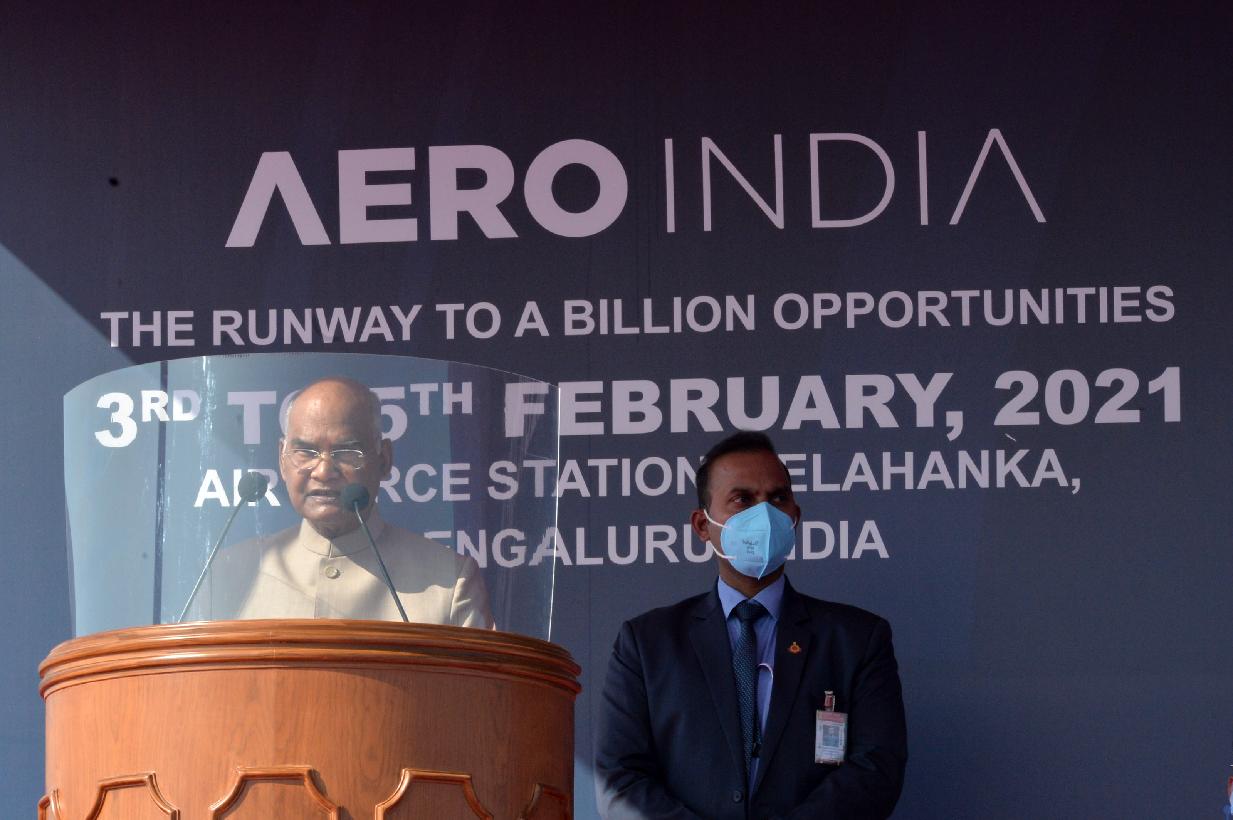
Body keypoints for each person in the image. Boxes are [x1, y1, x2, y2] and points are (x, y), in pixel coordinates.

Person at [595, 431, 907, 819]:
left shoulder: (857, 639)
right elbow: (620, 780)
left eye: (777, 498)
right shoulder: (646, 644)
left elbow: (876, 770)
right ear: (702, 525)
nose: (764, 515)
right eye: (742, 499)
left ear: (794, 517)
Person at [200, 377, 492, 627]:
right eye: (306, 452)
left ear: (384, 459)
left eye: (346, 452)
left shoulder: (449, 581)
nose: (324, 471)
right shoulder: (229, 576)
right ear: (282, 459)